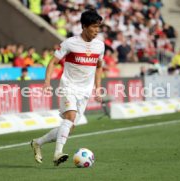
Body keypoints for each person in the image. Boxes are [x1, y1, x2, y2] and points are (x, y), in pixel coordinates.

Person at [30, 9, 105, 166]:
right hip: (68, 86)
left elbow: (99, 67)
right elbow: (52, 62)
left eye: (99, 27)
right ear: (84, 26)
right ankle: (57, 153)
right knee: (70, 118)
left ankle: (38, 142)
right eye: (94, 26)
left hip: (84, 92)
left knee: (68, 127)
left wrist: (98, 88)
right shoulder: (70, 43)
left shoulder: (100, 46)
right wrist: (47, 82)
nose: (97, 30)